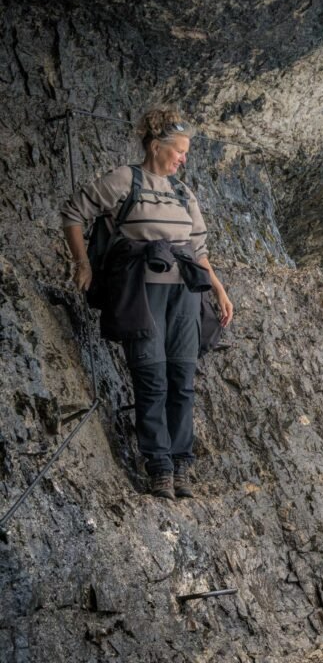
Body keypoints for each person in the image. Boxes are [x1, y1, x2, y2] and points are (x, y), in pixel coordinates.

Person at [61, 106, 233, 500]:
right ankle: (159, 468)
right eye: (179, 152)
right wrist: (82, 263)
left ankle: (182, 465)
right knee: (152, 379)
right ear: (157, 147)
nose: (183, 159)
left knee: (183, 382)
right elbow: (73, 212)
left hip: (185, 295)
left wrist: (219, 290)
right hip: (142, 294)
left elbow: (199, 250)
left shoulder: (183, 192)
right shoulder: (125, 180)